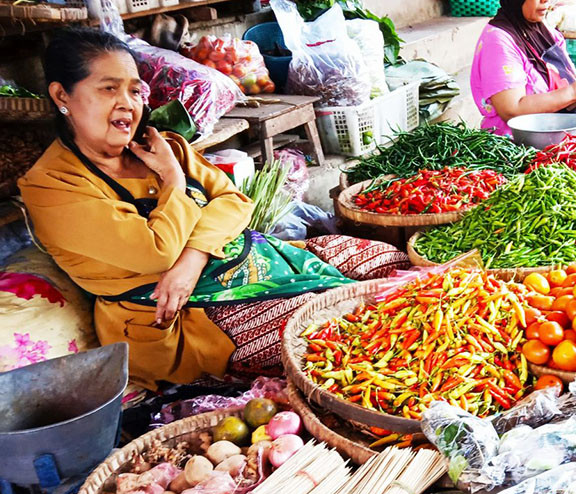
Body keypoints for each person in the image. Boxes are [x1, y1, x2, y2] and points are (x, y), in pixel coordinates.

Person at [19, 28, 351, 390]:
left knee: (383, 262)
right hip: (185, 321)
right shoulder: (53, 186)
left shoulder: (163, 147)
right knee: (343, 327)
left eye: (134, 91)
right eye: (109, 89)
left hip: (250, 262)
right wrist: (175, 182)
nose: (127, 104)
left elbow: (235, 201)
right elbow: (156, 251)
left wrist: (193, 256)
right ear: (62, 95)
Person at [470, 0, 576, 136]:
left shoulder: (543, 31)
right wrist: (574, 92)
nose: (545, 0)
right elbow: (511, 110)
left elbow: (558, 90)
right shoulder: (498, 41)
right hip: (522, 144)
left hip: (558, 136)